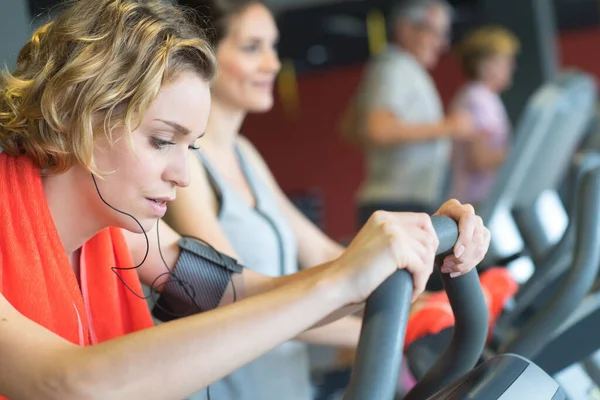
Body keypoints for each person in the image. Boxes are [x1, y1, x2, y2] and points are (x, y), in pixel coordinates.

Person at [0, 1, 489, 399]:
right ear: (75, 113)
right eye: (161, 140)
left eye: (189, 147)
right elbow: (63, 383)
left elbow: (245, 293)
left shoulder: (128, 233)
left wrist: (410, 246)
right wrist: (340, 280)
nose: (183, 176)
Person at [162, 1, 511, 399]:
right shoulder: (183, 169)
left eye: (273, 47)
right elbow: (235, 296)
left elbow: (323, 251)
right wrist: (390, 326)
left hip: (287, 384)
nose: (273, 64)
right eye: (252, 48)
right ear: (201, 54)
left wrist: (424, 288)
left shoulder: (245, 154)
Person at [341, 0, 476, 227]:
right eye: (435, 33)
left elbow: (351, 128)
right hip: (397, 204)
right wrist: (449, 127)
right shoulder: (395, 67)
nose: (442, 44)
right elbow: (378, 129)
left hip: (399, 201)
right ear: (406, 29)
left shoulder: (396, 67)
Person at [449, 26, 519, 205]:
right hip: (476, 201)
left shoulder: (487, 97)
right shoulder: (476, 99)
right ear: (484, 64)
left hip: (485, 199)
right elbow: (479, 159)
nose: (511, 67)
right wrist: (520, 154)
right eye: (503, 61)